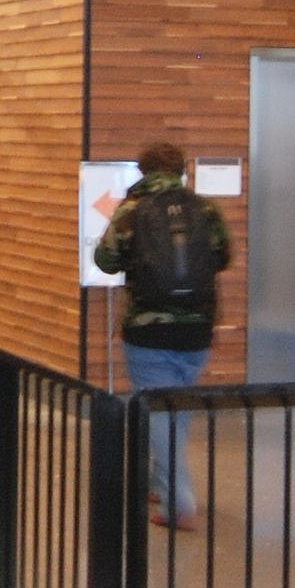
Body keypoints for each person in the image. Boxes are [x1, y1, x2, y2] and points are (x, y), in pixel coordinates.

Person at [93, 140, 232, 532]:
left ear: (143, 170)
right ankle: (160, 480)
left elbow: (105, 260)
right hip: (198, 329)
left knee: (157, 413)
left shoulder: (133, 210)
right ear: (182, 170)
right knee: (176, 409)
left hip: (148, 329)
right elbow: (223, 257)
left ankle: (180, 502)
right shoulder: (204, 209)